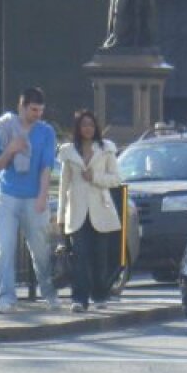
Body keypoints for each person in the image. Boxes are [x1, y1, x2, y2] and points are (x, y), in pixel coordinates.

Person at [0, 87, 61, 314]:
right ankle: (7, 298)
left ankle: (49, 294)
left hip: (33, 198)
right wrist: (10, 150)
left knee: (40, 250)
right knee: (5, 247)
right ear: (22, 106)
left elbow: (47, 166)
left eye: (40, 110)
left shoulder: (46, 132)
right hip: (7, 196)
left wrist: (42, 197)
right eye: (33, 109)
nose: (37, 114)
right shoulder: (3, 128)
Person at [58, 110, 123, 312]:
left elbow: (116, 179)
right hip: (77, 210)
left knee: (99, 255)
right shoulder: (68, 152)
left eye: (91, 125)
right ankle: (79, 298)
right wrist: (60, 217)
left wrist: (95, 177)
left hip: (100, 209)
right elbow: (63, 186)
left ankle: (100, 295)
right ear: (77, 128)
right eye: (84, 124)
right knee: (80, 255)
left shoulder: (106, 149)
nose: (88, 128)